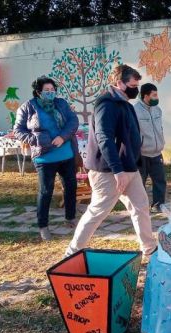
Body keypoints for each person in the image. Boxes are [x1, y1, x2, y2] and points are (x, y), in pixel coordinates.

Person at [65, 64, 157, 258]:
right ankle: (72, 253)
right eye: (133, 84)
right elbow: (104, 138)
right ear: (119, 83)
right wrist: (117, 170)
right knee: (98, 211)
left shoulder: (125, 103)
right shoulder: (106, 105)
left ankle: (150, 249)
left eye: (137, 84)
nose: (136, 89)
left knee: (140, 206)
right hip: (109, 172)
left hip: (129, 168)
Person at [14, 76, 79, 241]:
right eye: (47, 90)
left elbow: (73, 121)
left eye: (52, 90)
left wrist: (63, 137)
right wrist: (38, 140)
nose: (51, 93)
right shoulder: (28, 107)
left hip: (66, 154)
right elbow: (18, 131)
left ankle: (70, 218)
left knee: (71, 187)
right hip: (44, 158)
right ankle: (43, 226)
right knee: (45, 192)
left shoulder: (61, 103)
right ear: (38, 92)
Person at [133, 83, 166, 212]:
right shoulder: (135, 110)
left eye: (157, 94)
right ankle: (140, 207)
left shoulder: (157, 110)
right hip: (142, 154)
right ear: (145, 96)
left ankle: (159, 205)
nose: (157, 97)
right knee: (140, 182)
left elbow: (160, 129)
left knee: (160, 181)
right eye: (154, 95)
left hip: (157, 152)